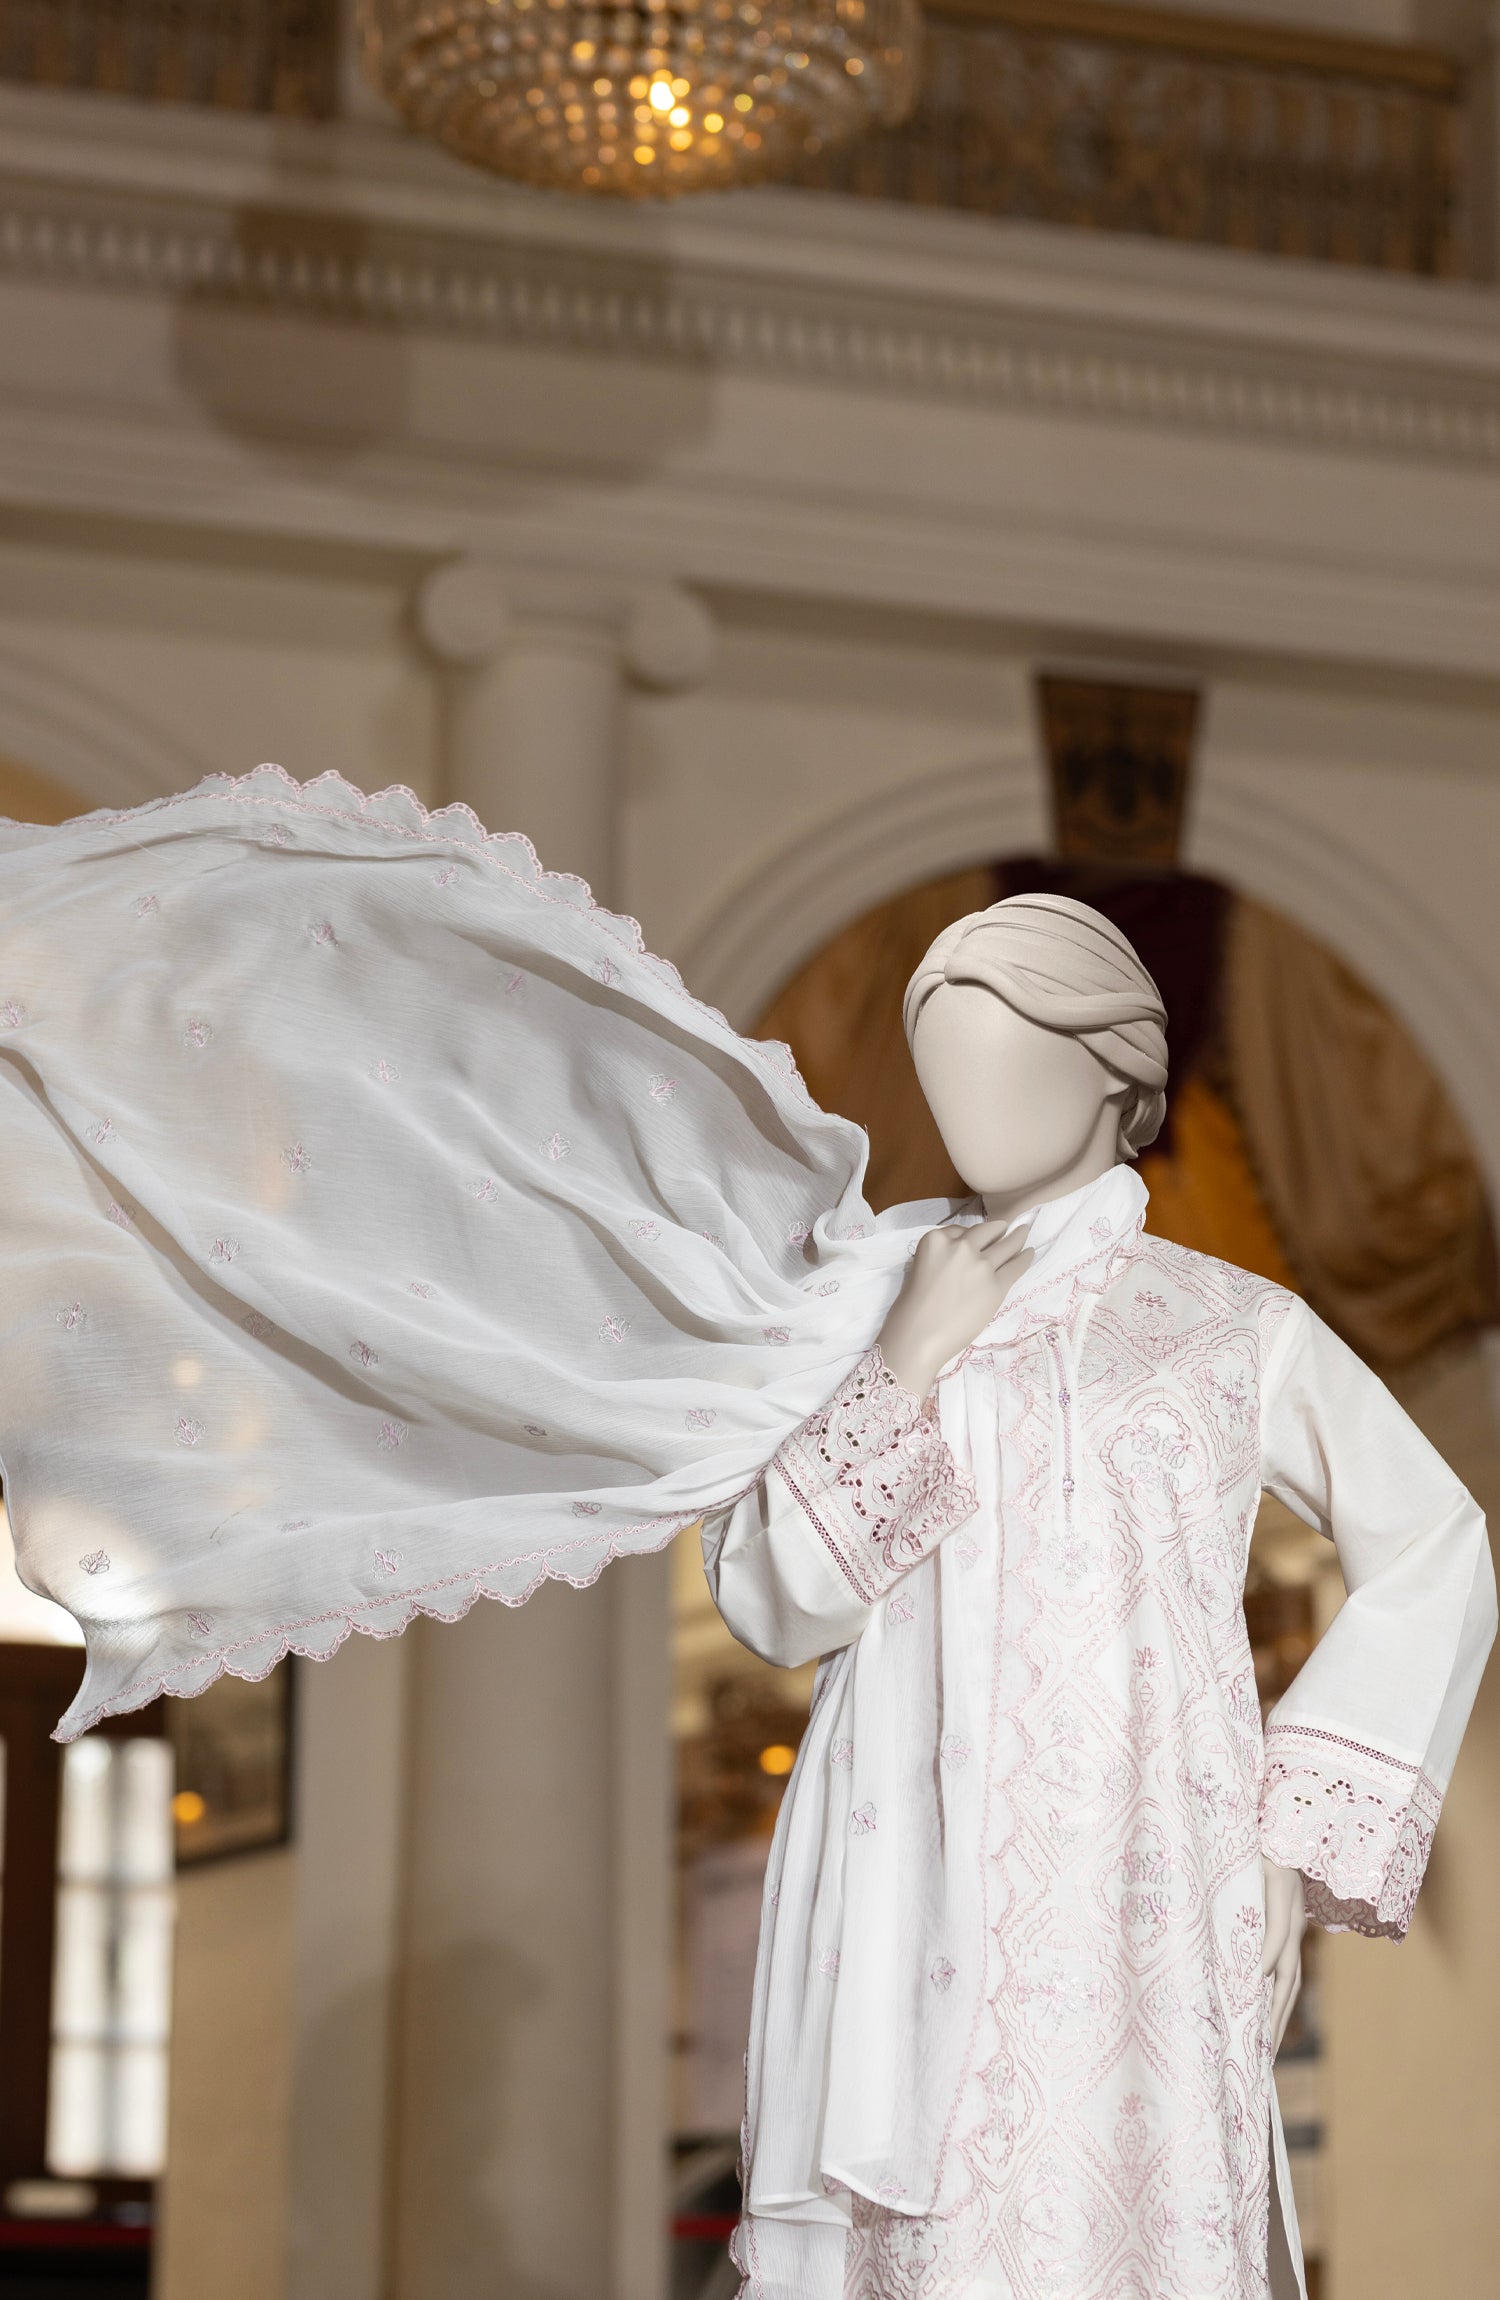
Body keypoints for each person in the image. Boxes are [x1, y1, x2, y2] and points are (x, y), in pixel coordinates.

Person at [703, 898, 1495, 2300]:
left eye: (1010, 1059)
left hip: (1151, 1874)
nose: (972, 1106)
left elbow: (1436, 1540)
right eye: (944, 1070)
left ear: (1114, 1073)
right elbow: (781, 1604)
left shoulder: (1231, 1328)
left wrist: (1291, 1838)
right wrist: (907, 1359)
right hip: (910, 1881)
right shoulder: (864, 1302)